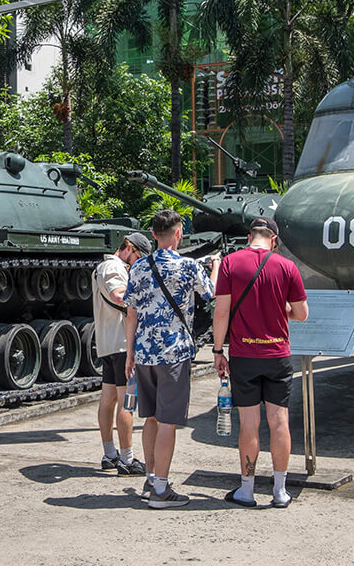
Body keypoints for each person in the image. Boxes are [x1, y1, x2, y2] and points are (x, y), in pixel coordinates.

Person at [212, 217, 308, 508]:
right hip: (277, 355)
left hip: (244, 356)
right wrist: (282, 310)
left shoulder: (230, 263)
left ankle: (247, 489)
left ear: (249, 237)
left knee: (249, 424)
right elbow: (302, 313)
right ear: (273, 239)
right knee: (279, 421)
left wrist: (218, 351)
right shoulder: (286, 267)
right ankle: (280, 490)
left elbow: (221, 313)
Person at [125, 209, 215, 508]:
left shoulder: (138, 268)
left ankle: (151, 477)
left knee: (150, 418)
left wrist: (130, 354)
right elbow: (211, 293)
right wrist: (215, 266)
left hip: (144, 354)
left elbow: (131, 314)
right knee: (168, 423)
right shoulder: (188, 266)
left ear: (153, 235)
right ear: (179, 234)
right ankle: (162, 491)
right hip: (173, 353)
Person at [92, 232, 153, 475]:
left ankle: (110, 454)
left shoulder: (104, 267)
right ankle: (127, 459)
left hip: (109, 343)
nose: (138, 262)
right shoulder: (114, 267)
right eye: (138, 256)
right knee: (127, 401)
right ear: (128, 248)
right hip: (122, 345)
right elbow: (118, 295)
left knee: (108, 399)